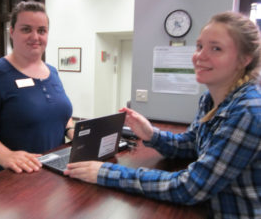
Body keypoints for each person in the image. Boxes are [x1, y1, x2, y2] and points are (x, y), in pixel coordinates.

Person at [64, 11, 261, 218]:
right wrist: (151, 134)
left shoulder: (248, 111)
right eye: (200, 46)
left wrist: (105, 172)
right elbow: (192, 144)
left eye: (216, 48)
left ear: (244, 59)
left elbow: (190, 188)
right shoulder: (210, 100)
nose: (200, 56)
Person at [0, 1, 74, 178]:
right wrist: (6, 155)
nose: (35, 36)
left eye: (41, 30)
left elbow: (58, 111)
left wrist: (71, 130)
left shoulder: (52, 72)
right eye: (26, 29)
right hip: (12, 176)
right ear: (12, 32)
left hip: (51, 171)